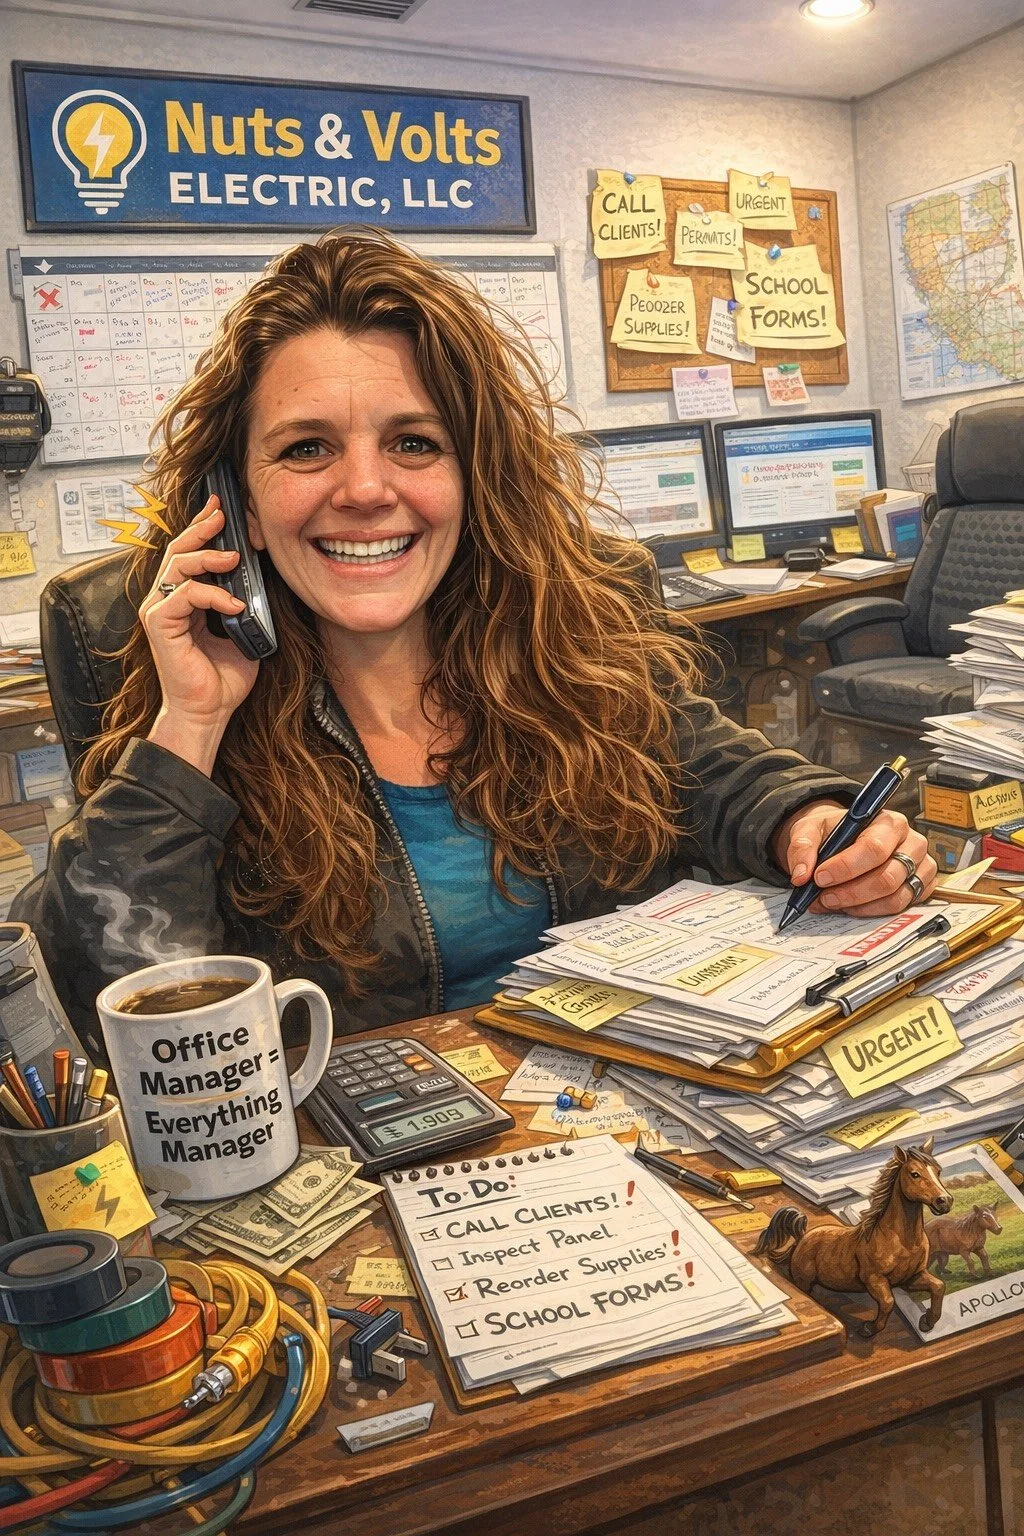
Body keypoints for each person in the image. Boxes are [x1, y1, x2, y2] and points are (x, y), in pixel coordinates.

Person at [28, 229, 935, 1051]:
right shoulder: (177, 697)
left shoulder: (570, 628)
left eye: (414, 442)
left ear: (472, 477)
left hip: (622, 1113)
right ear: (242, 506)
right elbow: (116, 1008)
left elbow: (709, 766)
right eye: (306, 448)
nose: (363, 489)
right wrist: (190, 726)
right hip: (362, 1166)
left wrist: (807, 824)